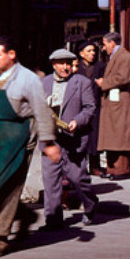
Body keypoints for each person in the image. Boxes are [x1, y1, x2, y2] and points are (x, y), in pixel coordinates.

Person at [0, 35, 61, 257]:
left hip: (17, 137)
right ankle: (24, 214)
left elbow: (42, 111)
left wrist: (48, 142)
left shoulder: (28, 79)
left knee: (10, 185)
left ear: (11, 55)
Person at [41, 48, 97, 230]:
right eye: (61, 64)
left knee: (77, 178)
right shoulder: (44, 83)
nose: (65, 67)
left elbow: (90, 108)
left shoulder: (82, 82)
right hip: (51, 139)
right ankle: (53, 219)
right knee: (51, 181)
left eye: (68, 63)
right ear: (53, 65)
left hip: (74, 139)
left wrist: (77, 121)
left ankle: (90, 203)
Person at [95, 32, 130, 180]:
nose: (103, 48)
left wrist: (104, 82)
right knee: (112, 136)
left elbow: (124, 77)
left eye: (105, 44)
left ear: (112, 43)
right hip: (113, 103)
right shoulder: (115, 56)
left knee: (120, 137)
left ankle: (122, 170)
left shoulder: (125, 57)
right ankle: (112, 169)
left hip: (120, 103)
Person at [77, 39, 106, 176]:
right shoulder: (76, 67)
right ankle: (80, 166)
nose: (92, 53)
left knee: (94, 136)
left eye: (94, 50)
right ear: (81, 53)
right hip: (80, 106)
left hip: (96, 105)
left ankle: (95, 166)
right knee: (81, 136)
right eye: (89, 51)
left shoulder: (100, 66)